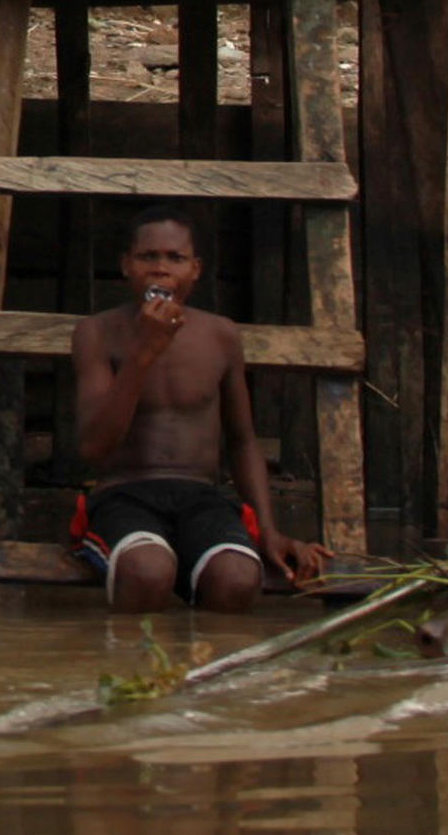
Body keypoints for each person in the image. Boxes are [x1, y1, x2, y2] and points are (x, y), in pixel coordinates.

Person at [68, 208, 326, 612]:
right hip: (123, 495)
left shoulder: (220, 335)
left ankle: (206, 669)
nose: (160, 269)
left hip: (200, 496)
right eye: (147, 257)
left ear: (195, 270)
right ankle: (134, 669)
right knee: (147, 570)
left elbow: (242, 441)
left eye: (175, 258)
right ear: (126, 266)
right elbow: (94, 448)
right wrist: (143, 353)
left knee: (237, 576)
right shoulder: (97, 333)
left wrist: (269, 531)